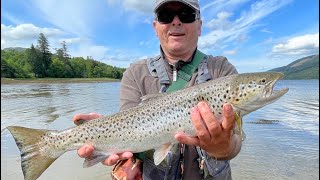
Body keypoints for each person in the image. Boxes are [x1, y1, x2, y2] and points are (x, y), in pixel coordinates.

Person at [73, 0, 242, 179]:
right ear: (155, 27)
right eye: (166, 16)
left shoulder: (222, 71)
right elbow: (130, 132)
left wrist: (223, 147)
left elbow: (236, 141)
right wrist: (103, 130)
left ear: (199, 26)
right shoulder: (135, 73)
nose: (176, 21)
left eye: (186, 15)